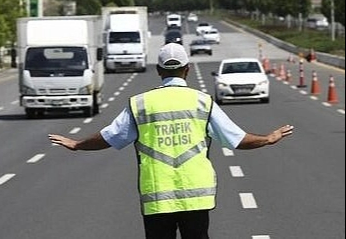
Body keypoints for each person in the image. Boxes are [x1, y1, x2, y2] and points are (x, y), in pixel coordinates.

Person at [49, 43, 294, 239]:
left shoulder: (141, 104)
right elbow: (237, 139)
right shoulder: (202, 102)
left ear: (159, 71)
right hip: (197, 196)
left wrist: (77, 144)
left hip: (157, 196)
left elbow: (110, 136)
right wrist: (268, 138)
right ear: (187, 70)